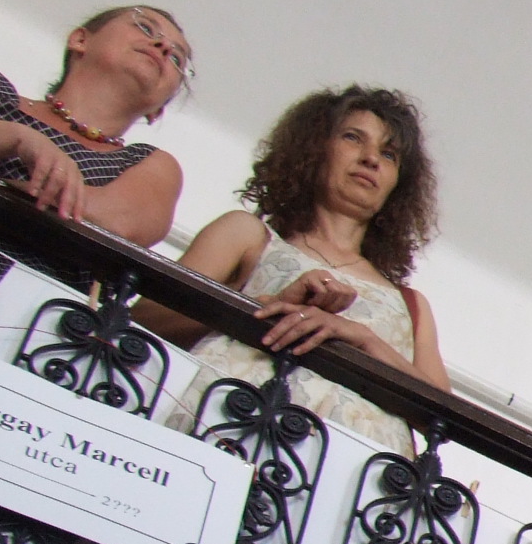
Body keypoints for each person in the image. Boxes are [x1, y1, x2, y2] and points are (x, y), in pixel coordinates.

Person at [155, 87, 449, 453]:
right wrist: (265, 308)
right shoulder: (247, 235)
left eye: (389, 154)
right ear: (315, 149)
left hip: (347, 478)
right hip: (223, 439)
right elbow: (147, 317)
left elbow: (443, 418)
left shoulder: (411, 305)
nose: (371, 158)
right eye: (353, 137)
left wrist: (363, 340)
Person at [0, 5, 190, 244]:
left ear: (158, 111)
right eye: (145, 27)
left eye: (177, 59)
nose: (164, 47)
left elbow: (120, 222)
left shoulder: (151, 163)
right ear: (80, 40)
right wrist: (15, 137)